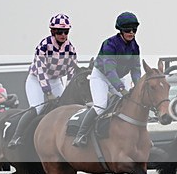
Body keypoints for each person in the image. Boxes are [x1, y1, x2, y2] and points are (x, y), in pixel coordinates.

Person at [8, 14, 78, 148]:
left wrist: (69, 90)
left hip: (55, 80)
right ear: (53, 31)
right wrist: (48, 92)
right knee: (38, 108)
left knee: (63, 107)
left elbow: (72, 72)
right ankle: (17, 136)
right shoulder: (44, 45)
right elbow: (41, 71)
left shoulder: (70, 48)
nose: (63, 35)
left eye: (66, 32)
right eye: (59, 32)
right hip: (37, 80)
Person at [74, 11, 142, 147]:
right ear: (121, 30)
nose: (131, 32)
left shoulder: (135, 47)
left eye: (134, 29)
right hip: (101, 76)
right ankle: (80, 135)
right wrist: (121, 89)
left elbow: (136, 69)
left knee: (129, 104)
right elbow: (109, 71)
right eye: (128, 29)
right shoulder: (109, 44)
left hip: (118, 78)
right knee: (100, 106)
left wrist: (138, 85)